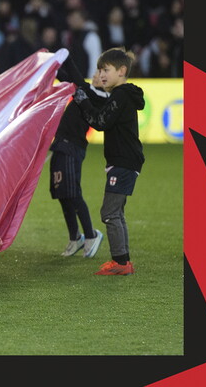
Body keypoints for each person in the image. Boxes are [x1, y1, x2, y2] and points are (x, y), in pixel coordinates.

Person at [69, 48, 145, 275]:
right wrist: (83, 92)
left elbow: (100, 121)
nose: (101, 74)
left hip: (123, 162)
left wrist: (82, 102)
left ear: (121, 71)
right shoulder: (122, 95)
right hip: (125, 161)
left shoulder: (121, 95)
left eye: (106, 70)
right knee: (116, 213)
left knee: (109, 212)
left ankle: (121, 263)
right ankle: (123, 261)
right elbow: (102, 112)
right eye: (99, 70)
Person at [51, 62, 109, 259]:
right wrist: (52, 62)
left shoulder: (101, 97)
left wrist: (65, 56)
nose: (96, 75)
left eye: (102, 72)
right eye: (97, 71)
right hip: (61, 145)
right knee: (62, 193)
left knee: (73, 193)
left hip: (72, 147)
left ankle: (91, 235)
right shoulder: (87, 91)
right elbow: (68, 79)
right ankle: (75, 237)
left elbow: (74, 78)